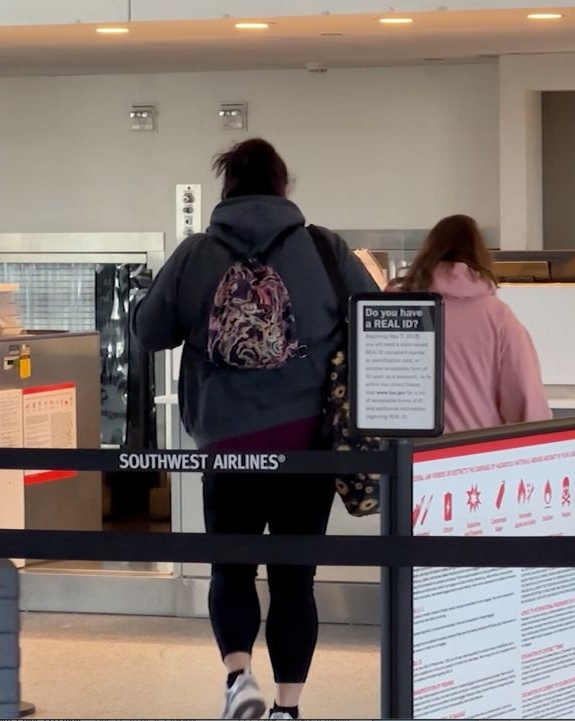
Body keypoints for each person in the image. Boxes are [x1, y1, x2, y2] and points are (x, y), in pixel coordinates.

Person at [131, 139, 377, 720]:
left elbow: (148, 331)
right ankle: (288, 710)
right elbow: (375, 321)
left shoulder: (195, 254)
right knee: (296, 579)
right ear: (284, 186)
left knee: (231, 567)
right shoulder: (324, 248)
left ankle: (239, 675)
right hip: (306, 444)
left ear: (226, 189)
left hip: (226, 443)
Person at [389, 214, 551, 433]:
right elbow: (526, 400)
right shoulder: (497, 316)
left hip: (404, 450)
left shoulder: (394, 307)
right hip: (472, 451)